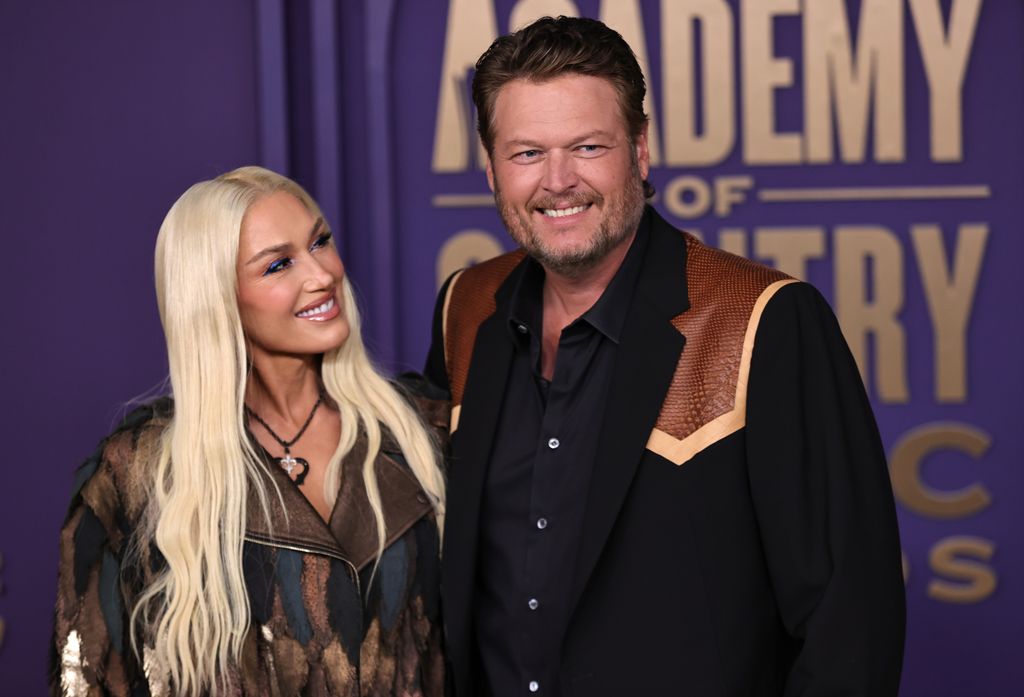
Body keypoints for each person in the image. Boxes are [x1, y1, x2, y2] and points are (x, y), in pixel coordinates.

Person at [424, 16, 905, 697]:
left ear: (641, 150)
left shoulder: (764, 319)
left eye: (588, 146)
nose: (558, 181)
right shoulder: (466, 307)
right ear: (492, 168)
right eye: (527, 153)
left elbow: (850, 624)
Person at [52, 166, 448, 696]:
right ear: (217, 299)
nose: (322, 274)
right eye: (279, 264)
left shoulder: (422, 429)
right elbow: (88, 679)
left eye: (321, 242)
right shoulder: (135, 475)